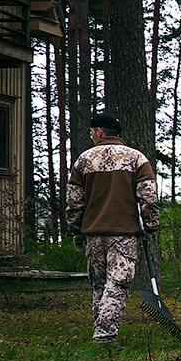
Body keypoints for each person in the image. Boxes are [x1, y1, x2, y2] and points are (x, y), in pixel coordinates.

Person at [65, 112, 159, 344]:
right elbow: (148, 196)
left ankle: (101, 329)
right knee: (117, 283)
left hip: (94, 234)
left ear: (99, 132)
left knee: (99, 285)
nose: (91, 136)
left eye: (92, 132)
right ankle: (105, 334)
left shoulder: (83, 160)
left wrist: (75, 229)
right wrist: (151, 225)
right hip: (124, 234)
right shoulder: (136, 159)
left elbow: (74, 201)